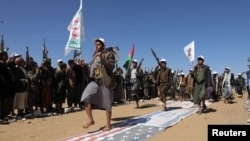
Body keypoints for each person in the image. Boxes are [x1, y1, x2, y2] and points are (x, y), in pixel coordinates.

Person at [81, 37, 117, 131]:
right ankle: (90, 119)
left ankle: (108, 125)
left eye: (98, 44)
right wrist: (84, 67)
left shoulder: (109, 54)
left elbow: (111, 66)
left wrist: (102, 59)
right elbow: (91, 70)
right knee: (86, 97)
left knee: (107, 104)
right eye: (95, 44)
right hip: (95, 81)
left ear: (103, 45)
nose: (96, 46)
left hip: (105, 81)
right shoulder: (94, 55)